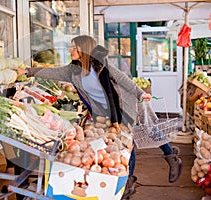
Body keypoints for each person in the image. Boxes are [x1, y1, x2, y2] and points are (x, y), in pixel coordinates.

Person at [18, 35, 182, 199]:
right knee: (125, 142)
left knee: (147, 130)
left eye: (74, 47)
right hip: (104, 112)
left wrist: (140, 93)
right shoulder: (72, 71)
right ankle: (128, 181)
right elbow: (52, 72)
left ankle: (171, 158)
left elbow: (122, 79)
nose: (70, 50)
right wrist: (28, 71)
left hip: (124, 104)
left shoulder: (101, 64)